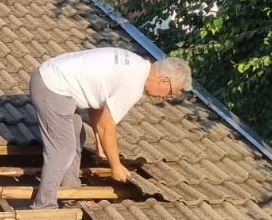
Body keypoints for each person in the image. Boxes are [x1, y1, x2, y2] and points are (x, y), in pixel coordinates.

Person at [30, 48, 191, 208]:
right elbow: (106, 126)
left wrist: (100, 144)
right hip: (51, 86)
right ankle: (44, 207)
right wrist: (116, 166)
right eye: (170, 93)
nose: (166, 98)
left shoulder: (137, 66)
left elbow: (96, 104)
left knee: (76, 137)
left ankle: (70, 194)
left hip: (55, 83)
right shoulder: (133, 83)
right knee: (63, 148)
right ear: (164, 80)